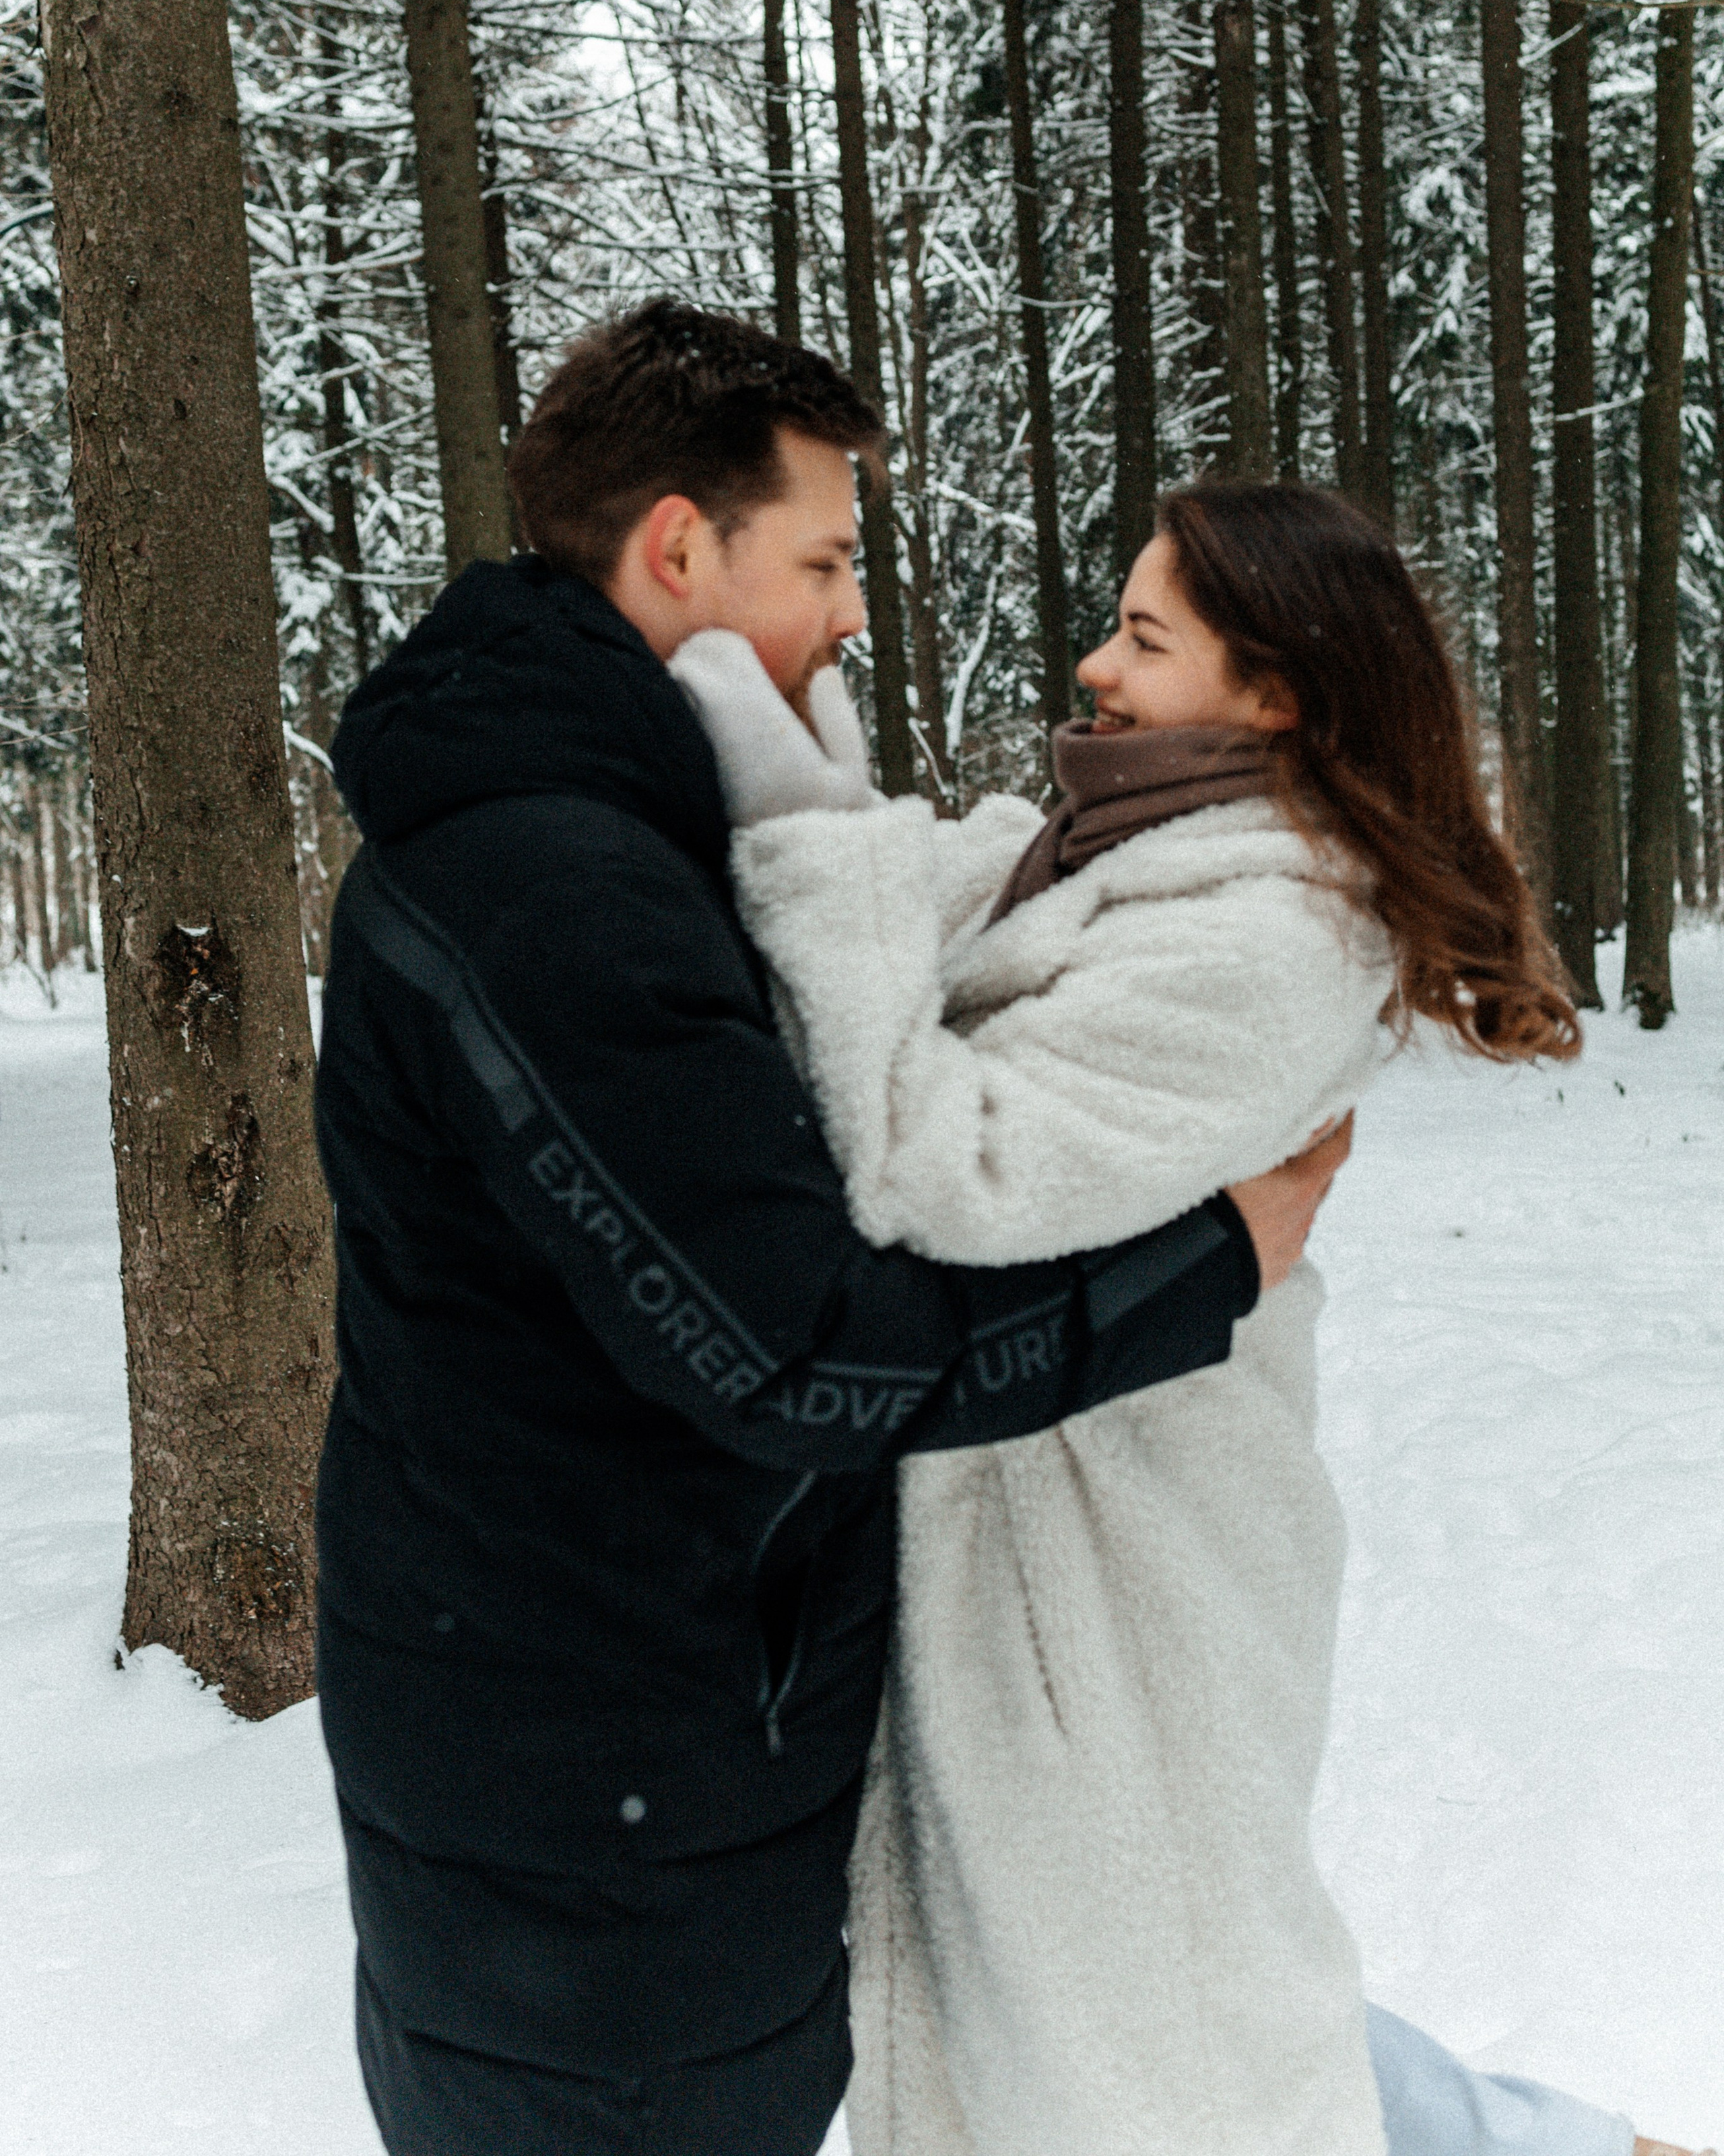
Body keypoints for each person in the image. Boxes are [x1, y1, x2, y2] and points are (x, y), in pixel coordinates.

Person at [311, 301, 1346, 2156]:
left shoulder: (608, 822)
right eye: (823, 560)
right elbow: (796, 1346)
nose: (853, 613)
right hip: (595, 1810)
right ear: (679, 549)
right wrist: (1205, 1268)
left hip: (614, 1759)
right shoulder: (560, 886)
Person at [674, 482, 1706, 2156]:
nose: (1094, 665)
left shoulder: (1275, 934)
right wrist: (791, 778)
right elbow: (913, 908)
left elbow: (939, 1168)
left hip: (1126, 1566)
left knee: (1152, 2038)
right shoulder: (1115, 850)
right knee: (1140, 2011)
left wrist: (802, 829)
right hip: (1044, 1528)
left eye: (1144, 639)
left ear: (1275, 692)